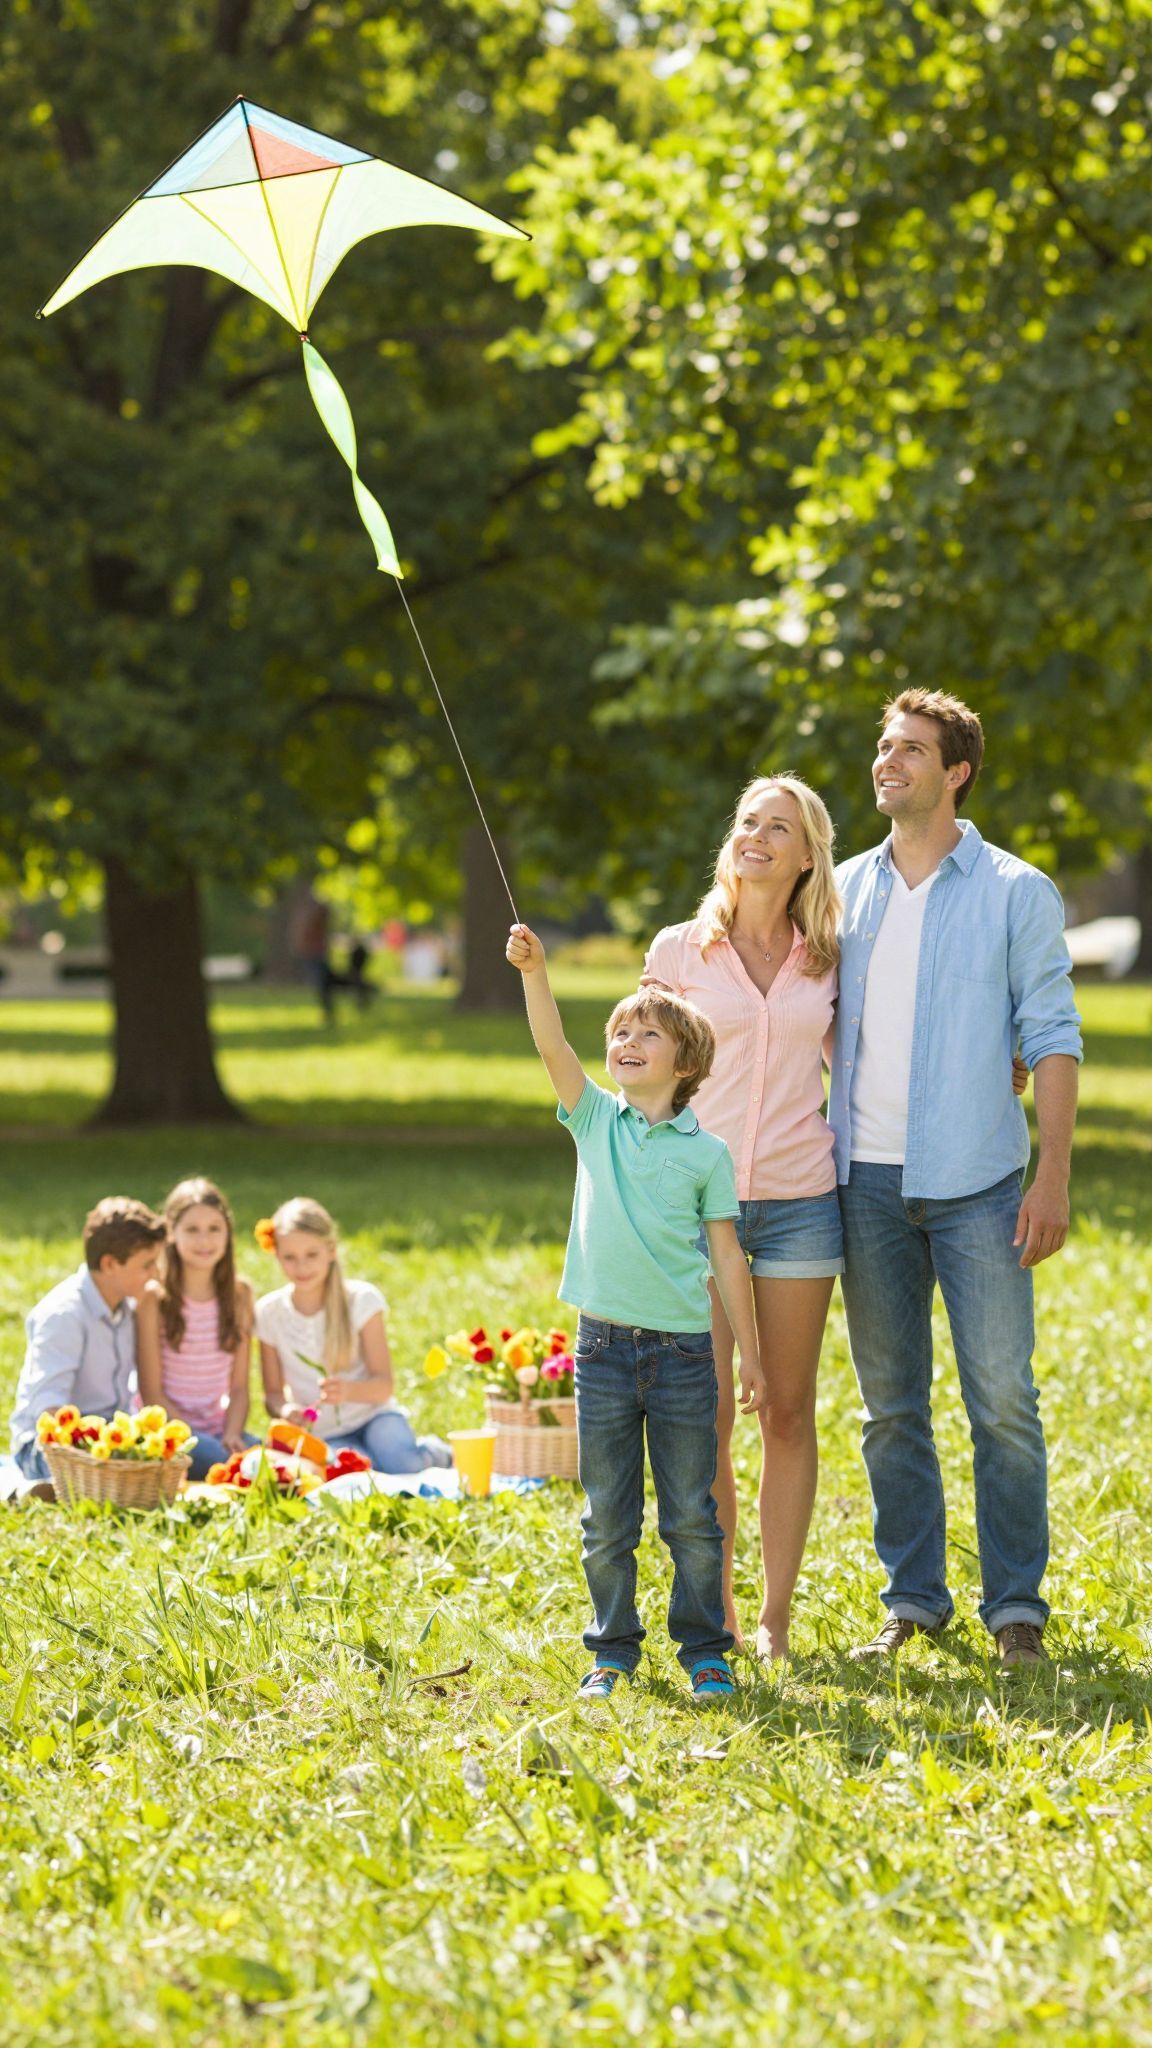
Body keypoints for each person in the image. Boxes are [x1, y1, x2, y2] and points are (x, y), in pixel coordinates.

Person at [832, 689, 1082, 1668]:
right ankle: (913, 1599)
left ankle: (1015, 1604)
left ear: (956, 771)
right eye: (883, 745)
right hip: (863, 1182)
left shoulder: (1018, 889)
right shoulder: (843, 889)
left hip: (981, 1179)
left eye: (910, 749)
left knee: (1002, 1401)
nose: (887, 761)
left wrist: (1051, 1173)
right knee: (890, 1404)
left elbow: (1053, 1035)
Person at [506, 921, 767, 1702]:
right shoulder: (595, 1122)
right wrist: (536, 972)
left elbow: (727, 1258)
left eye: (646, 1033)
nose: (626, 1040)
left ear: (684, 1064)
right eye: (620, 1030)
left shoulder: (706, 1153)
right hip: (603, 1350)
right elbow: (554, 1048)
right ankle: (612, 1649)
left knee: (691, 1515)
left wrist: (749, 1352)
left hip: (686, 1354)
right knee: (606, 1519)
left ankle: (705, 1650)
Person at [642, 775, 842, 1662]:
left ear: (806, 855)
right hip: (697, 1212)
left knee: (789, 1411)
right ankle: (716, 1610)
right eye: (747, 821)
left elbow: (875, 1058)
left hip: (802, 1202)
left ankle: (775, 1620)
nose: (757, 835)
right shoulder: (680, 950)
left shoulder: (828, 957)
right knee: (711, 1412)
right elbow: (635, 1064)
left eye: (779, 827)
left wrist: (1004, 1065)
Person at [255, 1196, 451, 1473]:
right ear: (276, 1256)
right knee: (357, 1475)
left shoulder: (361, 1300)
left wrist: (348, 1391)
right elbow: (273, 1394)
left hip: (375, 1416)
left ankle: (437, 1453)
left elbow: (385, 1385)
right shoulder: (269, 1312)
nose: (302, 1267)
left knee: (404, 1464)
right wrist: (287, 1411)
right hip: (326, 1434)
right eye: (290, 1257)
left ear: (331, 1249)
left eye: (312, 1255)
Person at [9, 1197, 166, 1486]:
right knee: (118, 1481)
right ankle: (42, 1488)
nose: (155, 1273)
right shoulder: (64, 1315)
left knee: (191, 1456)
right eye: (147, 1264)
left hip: (107, 1435)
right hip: (49, 1447)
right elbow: (50, 1410)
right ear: (109, 1264)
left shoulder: (127, 1307)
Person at [136, 1178, 258, 1482]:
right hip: (168, 1431)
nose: (204, 1240)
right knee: (224, 1464)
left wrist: (232, 1434)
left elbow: (240, 1388)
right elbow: (151, 1393)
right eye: (192, 1230)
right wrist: (206, 1443)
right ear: (171, 1233)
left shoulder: (240, 1294)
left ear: (228, 1232)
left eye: (214, 1229)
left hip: (219, 1428)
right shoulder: (154, 1298)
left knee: (275, 1462)